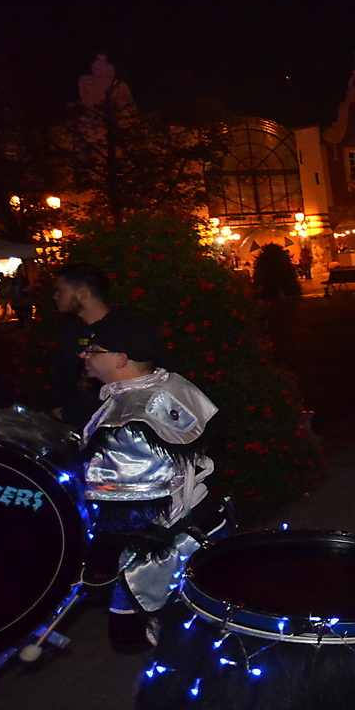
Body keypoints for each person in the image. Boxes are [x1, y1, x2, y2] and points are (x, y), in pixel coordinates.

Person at [80, 315, 229, 651]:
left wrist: (96, 550)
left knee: (140, 638)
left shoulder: (127, 423)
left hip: (166, 549)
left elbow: (127, 511)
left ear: (121, 359)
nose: (84, 355)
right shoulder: (168, 384)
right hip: (206, 522)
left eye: (93, 349)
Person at [50, 262, 138, 429]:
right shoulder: (72, 330)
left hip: (117, 426)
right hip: (76, 425)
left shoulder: (128, 331)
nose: (55, 297)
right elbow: (64, 374)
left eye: (61, 291)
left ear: (82, 294)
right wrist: (58, 408)